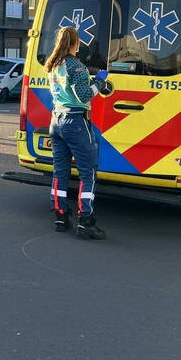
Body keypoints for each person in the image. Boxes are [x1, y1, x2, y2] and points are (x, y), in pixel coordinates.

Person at [45, 26, 111, 240]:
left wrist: (90, 82)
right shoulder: (77, 66)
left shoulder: (54, 65)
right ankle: (85, 221)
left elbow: (68, 89)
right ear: (76, 43)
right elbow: (83, 96)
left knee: (60, 171)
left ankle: (60, 216)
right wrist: (100, 81)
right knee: (87, 172)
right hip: (75, 121)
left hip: (56, 121)